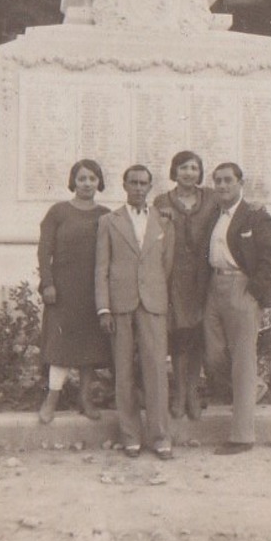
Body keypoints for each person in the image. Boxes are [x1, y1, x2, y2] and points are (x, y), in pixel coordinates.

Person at [95, 165, 175, 459]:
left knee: (156, 370)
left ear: (150, 187)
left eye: (143, 183)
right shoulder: (109, 221)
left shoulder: (163, 220)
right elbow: (101, 267)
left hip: (152, 303)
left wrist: (156, 292)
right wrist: (104, 307)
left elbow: (165, 265)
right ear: (124, 185)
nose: (138, 188)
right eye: (133, 183)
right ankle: (130, 436)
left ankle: (160, 436)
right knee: (124, 371)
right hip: (120, 304)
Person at [203, 162, 271, 454]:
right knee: (212, 355)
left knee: (243, 360)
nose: (222, 186)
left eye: (228, 180)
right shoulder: (212, 213)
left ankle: (242, 436)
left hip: (242, 287)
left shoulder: (255, 216)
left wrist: (252, 293)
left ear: (240, 183)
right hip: (214, 287)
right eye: (218, 181)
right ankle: (256, 387)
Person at [37, 159, 111, 423]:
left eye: (92, 178)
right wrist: (48, 283)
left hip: (92, 291)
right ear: (73, 181)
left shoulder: (105, 214)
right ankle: (51, 401)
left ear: (99, 182)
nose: (87, 183)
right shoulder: (58, 212)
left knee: (89, 348)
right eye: (82, 178)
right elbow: (44, 250)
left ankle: (85, 399)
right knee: (61, 347)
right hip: (63, 290)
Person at [154, 150, 218, 419]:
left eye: (194, 167)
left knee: (200, 336)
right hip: (176, 278)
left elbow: (236, 212)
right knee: (181, 335)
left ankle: (193, 391)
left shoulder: (212, 198)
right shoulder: (162, 201)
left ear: (200, 172)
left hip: (206, 277)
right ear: (174, 171)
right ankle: (179, 394)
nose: (189, 173)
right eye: (183, 168)